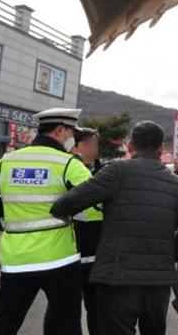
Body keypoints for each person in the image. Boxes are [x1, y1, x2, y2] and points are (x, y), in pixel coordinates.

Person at [51, 121, 178, 335]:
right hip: (157, 283)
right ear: (160, 149)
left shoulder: (116, 171)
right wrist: (171, 256)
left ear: (130, 147)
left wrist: (63, 215)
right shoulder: (176, 183)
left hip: (116, 280)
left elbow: (64, 205)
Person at [0, 108, 92, 335]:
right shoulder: (70, 164)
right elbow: (94, 206)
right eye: (72, 133)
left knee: (5, 323)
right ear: (60, 130)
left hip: (17, 258)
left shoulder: (5, 162)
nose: (74, 139)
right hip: (60, 259)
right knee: (65, 324)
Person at [69, 127, 103, 335]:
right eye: (92, 144)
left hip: (95, 250)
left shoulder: (103, 171)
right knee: (67, 308)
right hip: (67, 248)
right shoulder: (66, 168)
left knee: (97, 308)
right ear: (76, 146)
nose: (95, 149)